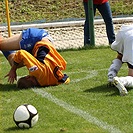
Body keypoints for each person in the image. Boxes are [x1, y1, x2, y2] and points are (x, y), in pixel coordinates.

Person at [0, 28, 70, 88]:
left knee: (15, 61)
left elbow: (66, 79)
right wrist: (13, 69)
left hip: (46, 41)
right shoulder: (36, 71)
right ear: (28, 78)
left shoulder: (53, 81)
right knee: (2, 46)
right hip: (36, 38)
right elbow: (21, 53)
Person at [108, 24, 133, 96]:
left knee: (120, 56)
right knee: (132, 76)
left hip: (125, 31)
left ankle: (111, 75)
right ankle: (122, 81)